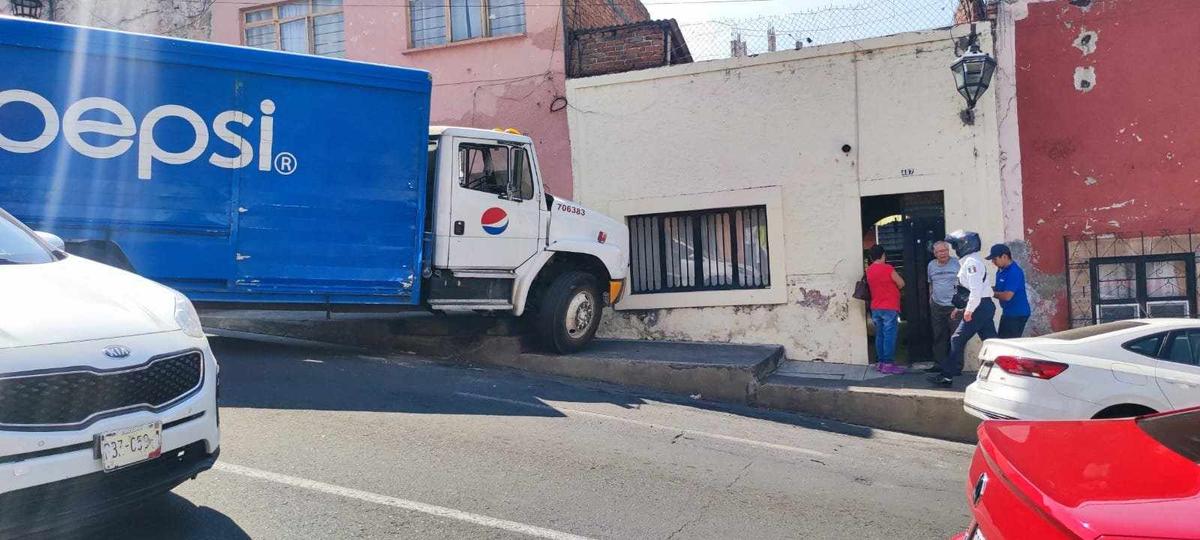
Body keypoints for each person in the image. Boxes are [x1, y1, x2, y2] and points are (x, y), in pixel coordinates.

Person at [927, 230, 997, 387]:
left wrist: (969, 310)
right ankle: (1004, 372)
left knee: (957, 339)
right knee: (992, 342)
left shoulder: (972, 263)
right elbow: (968, 292)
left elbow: (975, 290)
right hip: (982, 306)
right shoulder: (969, 261)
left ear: (965, 245)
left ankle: (946, 376)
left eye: (956, 244)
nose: (955, 248)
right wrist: (960, 308)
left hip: (979, 306)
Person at [866, 244, 905, 374]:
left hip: (876, 306)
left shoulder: (869, 270)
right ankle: (888, 363)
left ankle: (881, 362)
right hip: (890, 306)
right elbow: (901, 283)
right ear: (883, 255)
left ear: (871, 257)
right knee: (890, 335)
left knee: (880, 335)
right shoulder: (888, 268)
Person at [925, 241, 960, 372]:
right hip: (937, 305)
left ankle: (956, 367)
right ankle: (939, 364)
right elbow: (931, 284)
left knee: (956, 337)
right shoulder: (931, 265)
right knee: (939, 335)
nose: (943, 253)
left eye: (945, 250)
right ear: (935, 253)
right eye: (940, 251)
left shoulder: (957, 263)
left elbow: (963, 283)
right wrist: (931, 299)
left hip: (954, 306)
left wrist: (961, 304)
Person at [987, 243, 1031, 338]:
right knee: (1004, 342)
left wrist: (989, 292)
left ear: (1004, 257)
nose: (993, 262)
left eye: (995, 259)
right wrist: (986, 288)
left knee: (1008, 344)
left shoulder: (1014, 272)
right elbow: (1000, 289)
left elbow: (1007, 296)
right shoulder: (1000, 270)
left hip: (1017, 314)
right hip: (1008, 312)